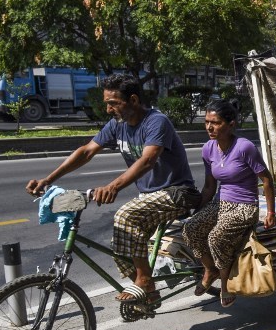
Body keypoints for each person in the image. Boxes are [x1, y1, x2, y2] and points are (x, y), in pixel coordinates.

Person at [26, 73, 199, 305]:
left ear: (134, 100)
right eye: (107, 103)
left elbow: (148, 160)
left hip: (178, 192)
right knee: (121, 242)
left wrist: (112, 186)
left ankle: (145, 281)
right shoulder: (118, 125)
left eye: (113, 103)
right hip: (150, 196)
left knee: (126, 215)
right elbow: (86, 151)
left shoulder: (157, 122)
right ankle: (147, 295)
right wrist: (47, 180)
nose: (108, 109)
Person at [182, 99, 276, 307]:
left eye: (215, 123)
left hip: (245, 206)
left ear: (231, 124)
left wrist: (271, 212)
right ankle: (211, 270)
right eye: (206, 122)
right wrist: (197, 211)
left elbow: (267, 179)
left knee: (216, 237)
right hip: (220, 203)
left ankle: (225, 284)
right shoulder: (208, 149)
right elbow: (209, 186)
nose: (209, 127)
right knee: (190, 229)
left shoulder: (245, 147)